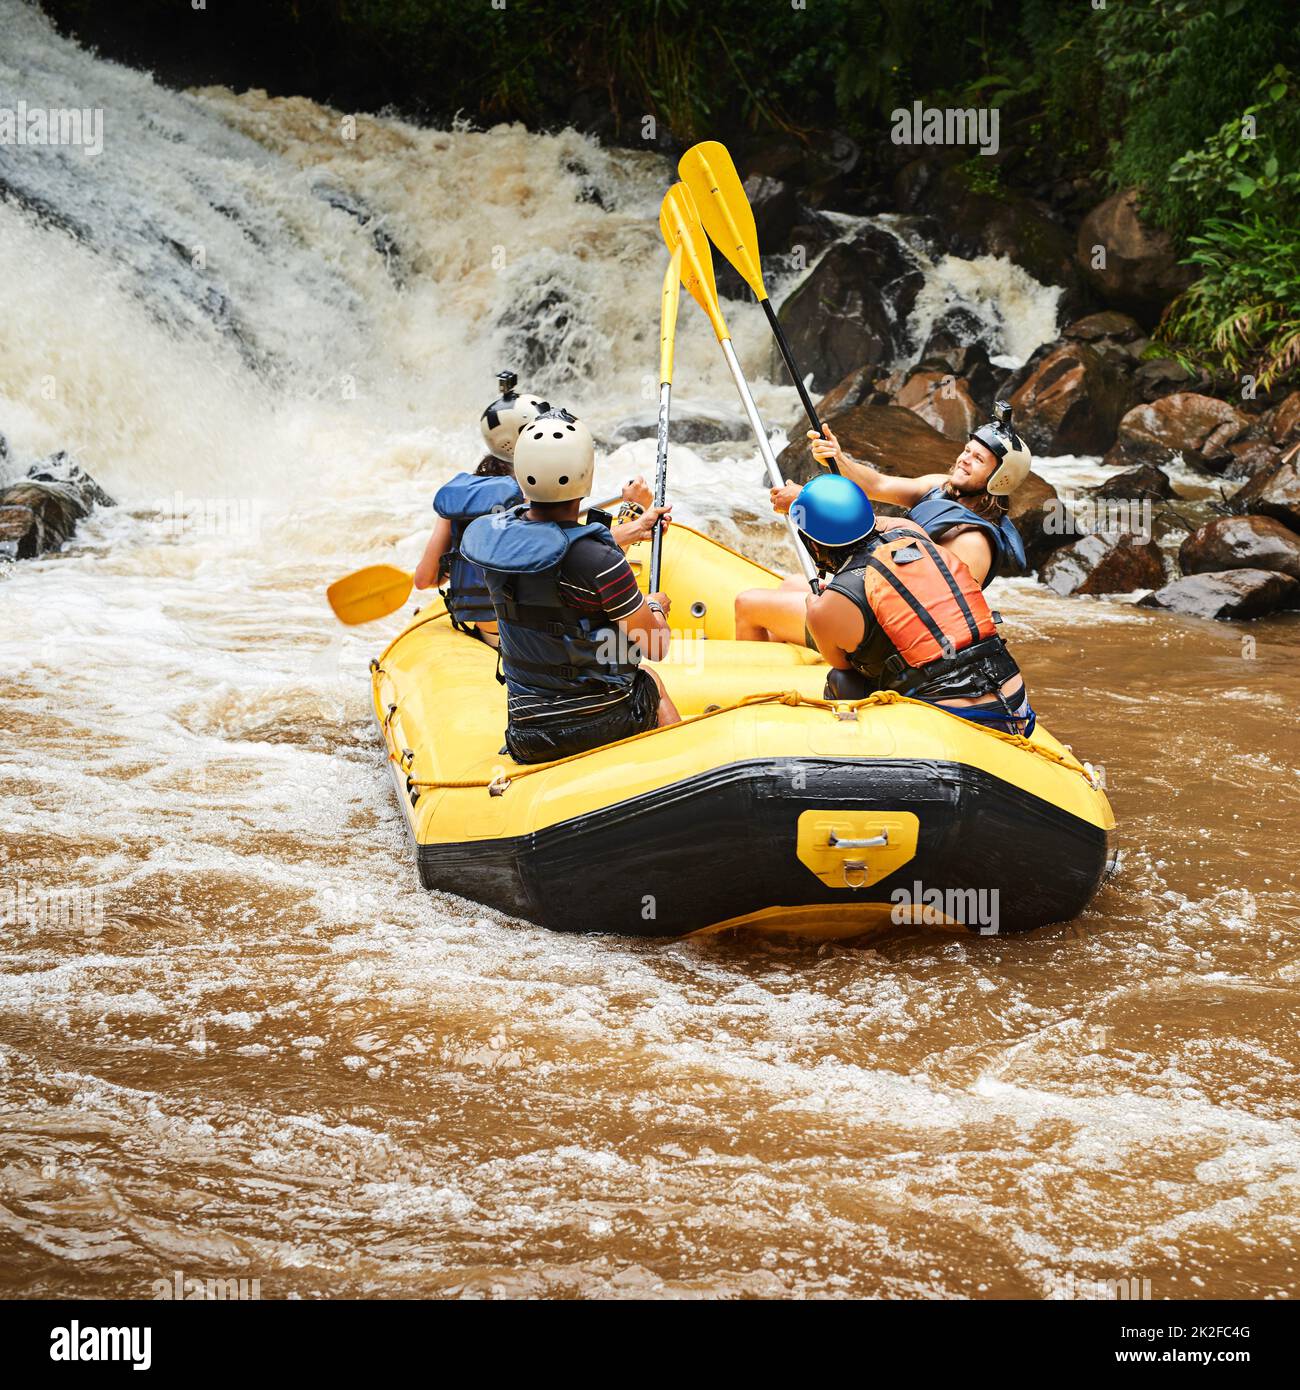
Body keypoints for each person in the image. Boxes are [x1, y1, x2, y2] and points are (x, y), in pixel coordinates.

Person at [461, 408, 680, 764]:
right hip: (599, 724)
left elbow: (553, 550)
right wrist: (653, 606)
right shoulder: (600, 561)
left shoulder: (497, 543)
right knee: (650, 679)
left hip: (527, 734)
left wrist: (631, 528)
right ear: (586, 474)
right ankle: (674, 777)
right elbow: (656, 646)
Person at [735, 401, 1032, 644]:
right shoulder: (940, 488)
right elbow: (878, 484)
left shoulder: (973, 541)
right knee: (790, 585)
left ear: (1000, 479)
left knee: (747, 605)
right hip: (873, 602)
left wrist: (808, 503)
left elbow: (932, 605)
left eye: (978, 460)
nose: (964, 460)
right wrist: (838, 458)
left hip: (886, 632)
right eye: (967, 450)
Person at [414, 370, 654, 643]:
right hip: (517, 631)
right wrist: (633, 513)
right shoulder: (532, 488)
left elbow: (424, 580)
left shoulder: (461, 495)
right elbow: (579, 559)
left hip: (476, 626)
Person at [791, 472, 1036, 737]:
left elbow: (842, 665)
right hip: (1015, 702)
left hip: (952, 719)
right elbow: (883, 524)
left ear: (814, 547)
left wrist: (816, 606)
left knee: (841, 681)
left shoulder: (826, 607)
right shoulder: (914, 535)